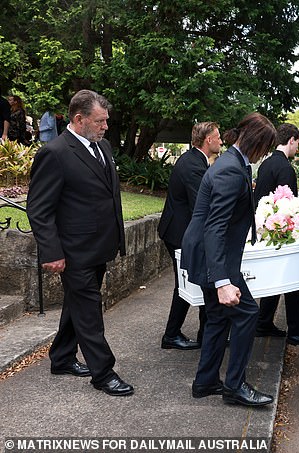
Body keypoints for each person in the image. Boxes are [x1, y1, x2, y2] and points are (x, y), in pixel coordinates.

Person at [26, 89, 132, 396]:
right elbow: (39, 208)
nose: (105, 126)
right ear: (79, 119)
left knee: (76, 304)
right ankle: (103, 372)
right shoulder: (55, 152)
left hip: (100, 245)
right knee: (89, 310)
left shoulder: (104, 147)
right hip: (73, 251)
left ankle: (61, 357)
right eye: (100, 121)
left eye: (106, 121)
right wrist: (52, 251)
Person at [180, 112, 276, 406]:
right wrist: (222, 281)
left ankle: (206, 381)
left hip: (209, 254)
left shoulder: (234, 164)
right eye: (266, 148)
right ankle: (234, 386)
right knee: (247, 314)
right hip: (212, 258)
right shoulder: (231, 170)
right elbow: (215, 226)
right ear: (256, 143)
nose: (266, 155)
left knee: (218, 318)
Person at [253, 123, 299, 350]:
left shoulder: (266, 164)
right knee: (293, 280)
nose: (298, 147)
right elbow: (288, 207)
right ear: (291, 139)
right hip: (279, 230)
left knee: (277, 278)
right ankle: (298, 331)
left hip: (263, 228)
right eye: (298, 142)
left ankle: (263, 322)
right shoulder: (285, 168)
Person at [158, 122, 223, 350]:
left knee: (190, 283)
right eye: (218, 137)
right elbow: (201, 206)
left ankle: (200, 334)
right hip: (179, 234)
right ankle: (173, 335)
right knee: (186, 284)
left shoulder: (195, 161)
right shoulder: (194, 166)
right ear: (208, 140)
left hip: (180, 230)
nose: (221, 141)